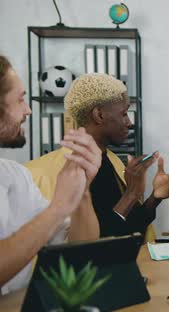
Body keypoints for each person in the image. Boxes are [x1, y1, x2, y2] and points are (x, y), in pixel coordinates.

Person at [25, 73, 169, 240]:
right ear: (99, 115)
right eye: (124, 113)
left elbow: (128, 227)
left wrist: (155, 197)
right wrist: (131, 193)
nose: (130, 122)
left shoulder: (113, 160)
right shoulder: (61, 173)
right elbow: (90, 243)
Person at [0, 55, 101, 294]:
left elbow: (80, 254)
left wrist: (82, 192)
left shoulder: (16, 176)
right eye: (20, 99)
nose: (28, 111)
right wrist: (59, 206)